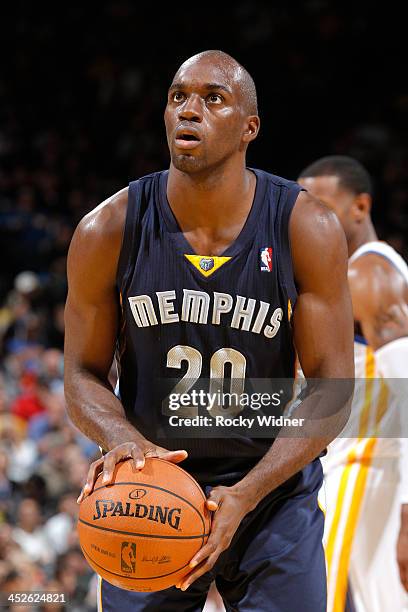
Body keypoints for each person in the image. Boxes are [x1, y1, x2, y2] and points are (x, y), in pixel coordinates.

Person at [64, 50, 354, 611]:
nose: (188, 111)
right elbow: (79, 372)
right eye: (178, 98)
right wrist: (124, 441)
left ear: (250, 128)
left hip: (269, 494)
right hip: (148, 494)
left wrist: (245, 495)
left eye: (212, 99)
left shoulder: (305, 226)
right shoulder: (108, 229)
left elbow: (332, 388)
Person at [298, 156, 408, 612]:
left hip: (367, 471)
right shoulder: (343, 275)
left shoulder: (369, 275)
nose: (310, 219)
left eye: (322, 206)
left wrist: (407, 507)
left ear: (360, 208)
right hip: (351, 470)